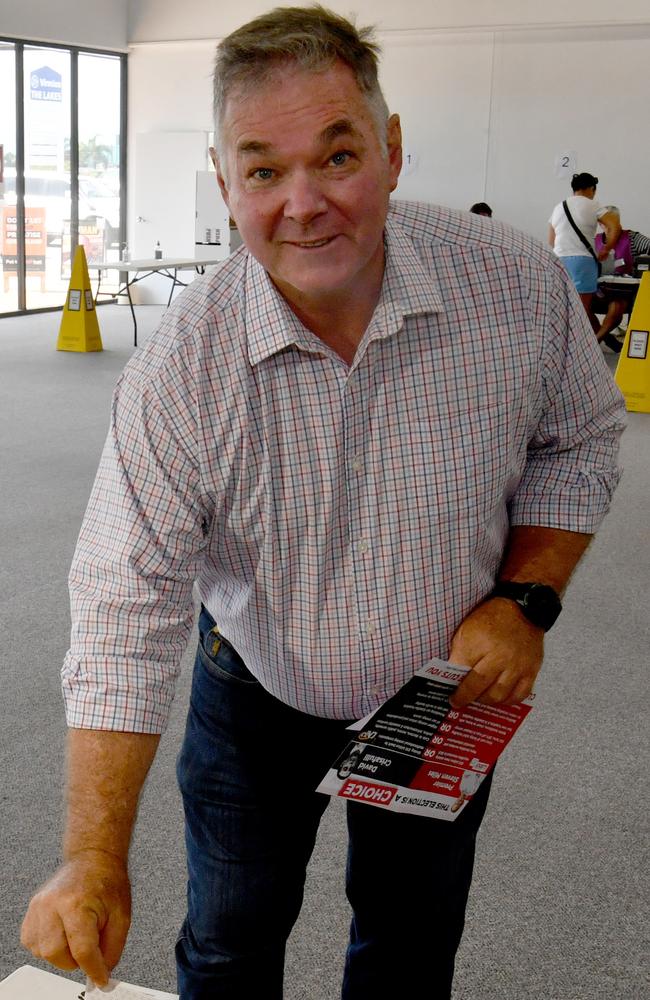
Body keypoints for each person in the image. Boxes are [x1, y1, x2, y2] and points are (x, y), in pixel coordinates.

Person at [21, 7, 626, 999]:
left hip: (441, 692)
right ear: (226, 186)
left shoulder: (514, 289)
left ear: (389, 150)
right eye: (261, 170)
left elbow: (581, 437)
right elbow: (123, 614)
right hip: (253, 685)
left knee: (407, 942)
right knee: (226, 938)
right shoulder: (184, 366)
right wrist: (94, 855)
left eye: (336, 154)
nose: (303, 203)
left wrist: (526, 600)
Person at [548, 172, 621, 335]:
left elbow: (551, 241)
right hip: (582, 261)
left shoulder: (558, 207)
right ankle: (580, 349)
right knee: (582, 310)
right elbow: (615, 226)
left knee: (562, 307)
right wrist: (606, 249)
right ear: (591, 188)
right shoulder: (593, 205)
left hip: (558, 260)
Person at [593, 206, 650, 353]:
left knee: (616, 306)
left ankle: (594, 343)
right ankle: (607, 339)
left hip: (624, 292)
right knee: (581, 304)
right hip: (600, 290)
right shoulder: (594, 241)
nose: (608, 225)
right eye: (604, 222)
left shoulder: (633, 238)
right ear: (600, 224)